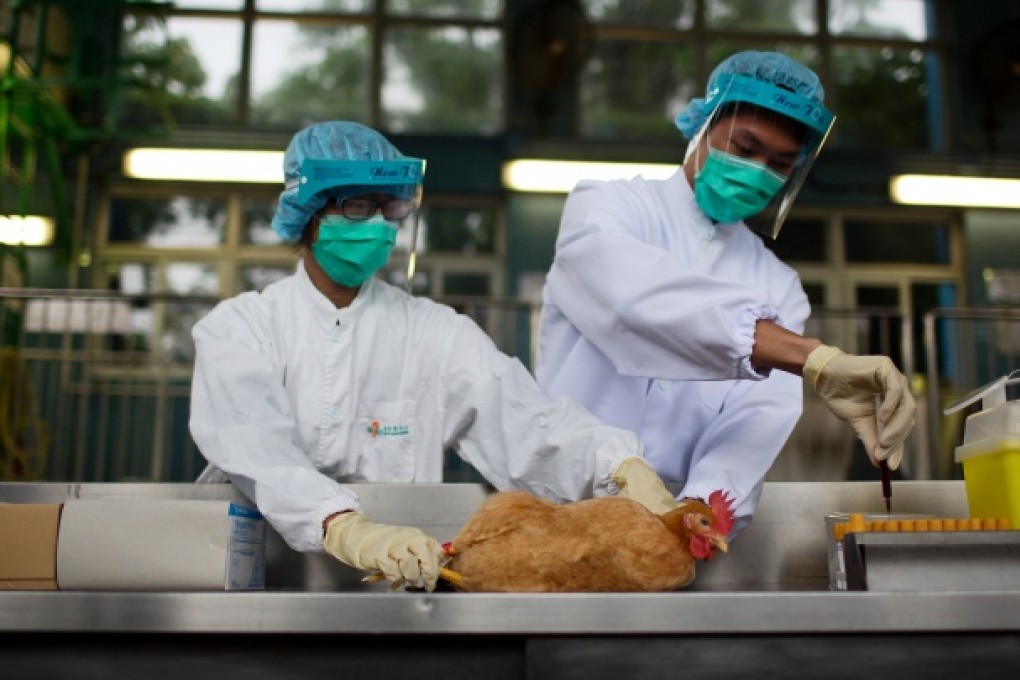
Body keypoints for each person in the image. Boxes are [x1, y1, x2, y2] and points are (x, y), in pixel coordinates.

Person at [189, 120, 674, 593]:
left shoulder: (433, 332)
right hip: (257, 581)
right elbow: (258, 449)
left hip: (397, 586)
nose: (378, 224)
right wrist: (343, 526)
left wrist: (617, 466)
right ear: (308, 212)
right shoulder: (240, 330)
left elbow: (527, 424)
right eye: (357, 205)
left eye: (388, 209)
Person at [535, 51, 916, 536]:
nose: (758, 170)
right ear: (703, 125)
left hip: (677, 528)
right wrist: (812, 357)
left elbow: (756, 417)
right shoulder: (609, 206)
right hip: (559, 504)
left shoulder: (779, 285)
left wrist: (699, 510)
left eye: (779, 164)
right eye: (744, 147)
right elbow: (634, 302)